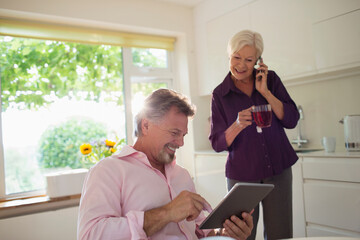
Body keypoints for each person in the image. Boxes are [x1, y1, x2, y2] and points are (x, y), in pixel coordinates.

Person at [77, 88, 253, 240]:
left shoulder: (182, 175)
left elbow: (200, 232)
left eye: (183, 135)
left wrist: (227, 232)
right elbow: (91, 234)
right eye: (174, 132)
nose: (181, 143)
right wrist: (167, 213)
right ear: (145, 126)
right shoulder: (109, 171)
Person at [209, 30, 300, 240]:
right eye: (236, 58)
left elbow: (291, 119)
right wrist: (238, 125)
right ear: (229, 56)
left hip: (278, 168)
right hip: (242, 176)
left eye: (249, 60)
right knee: (241, 236)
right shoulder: (220, 94)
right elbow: (217, 142)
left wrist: (266, 92)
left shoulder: (271, 79)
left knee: (281, 234)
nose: (241, 65)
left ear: (258, 61)